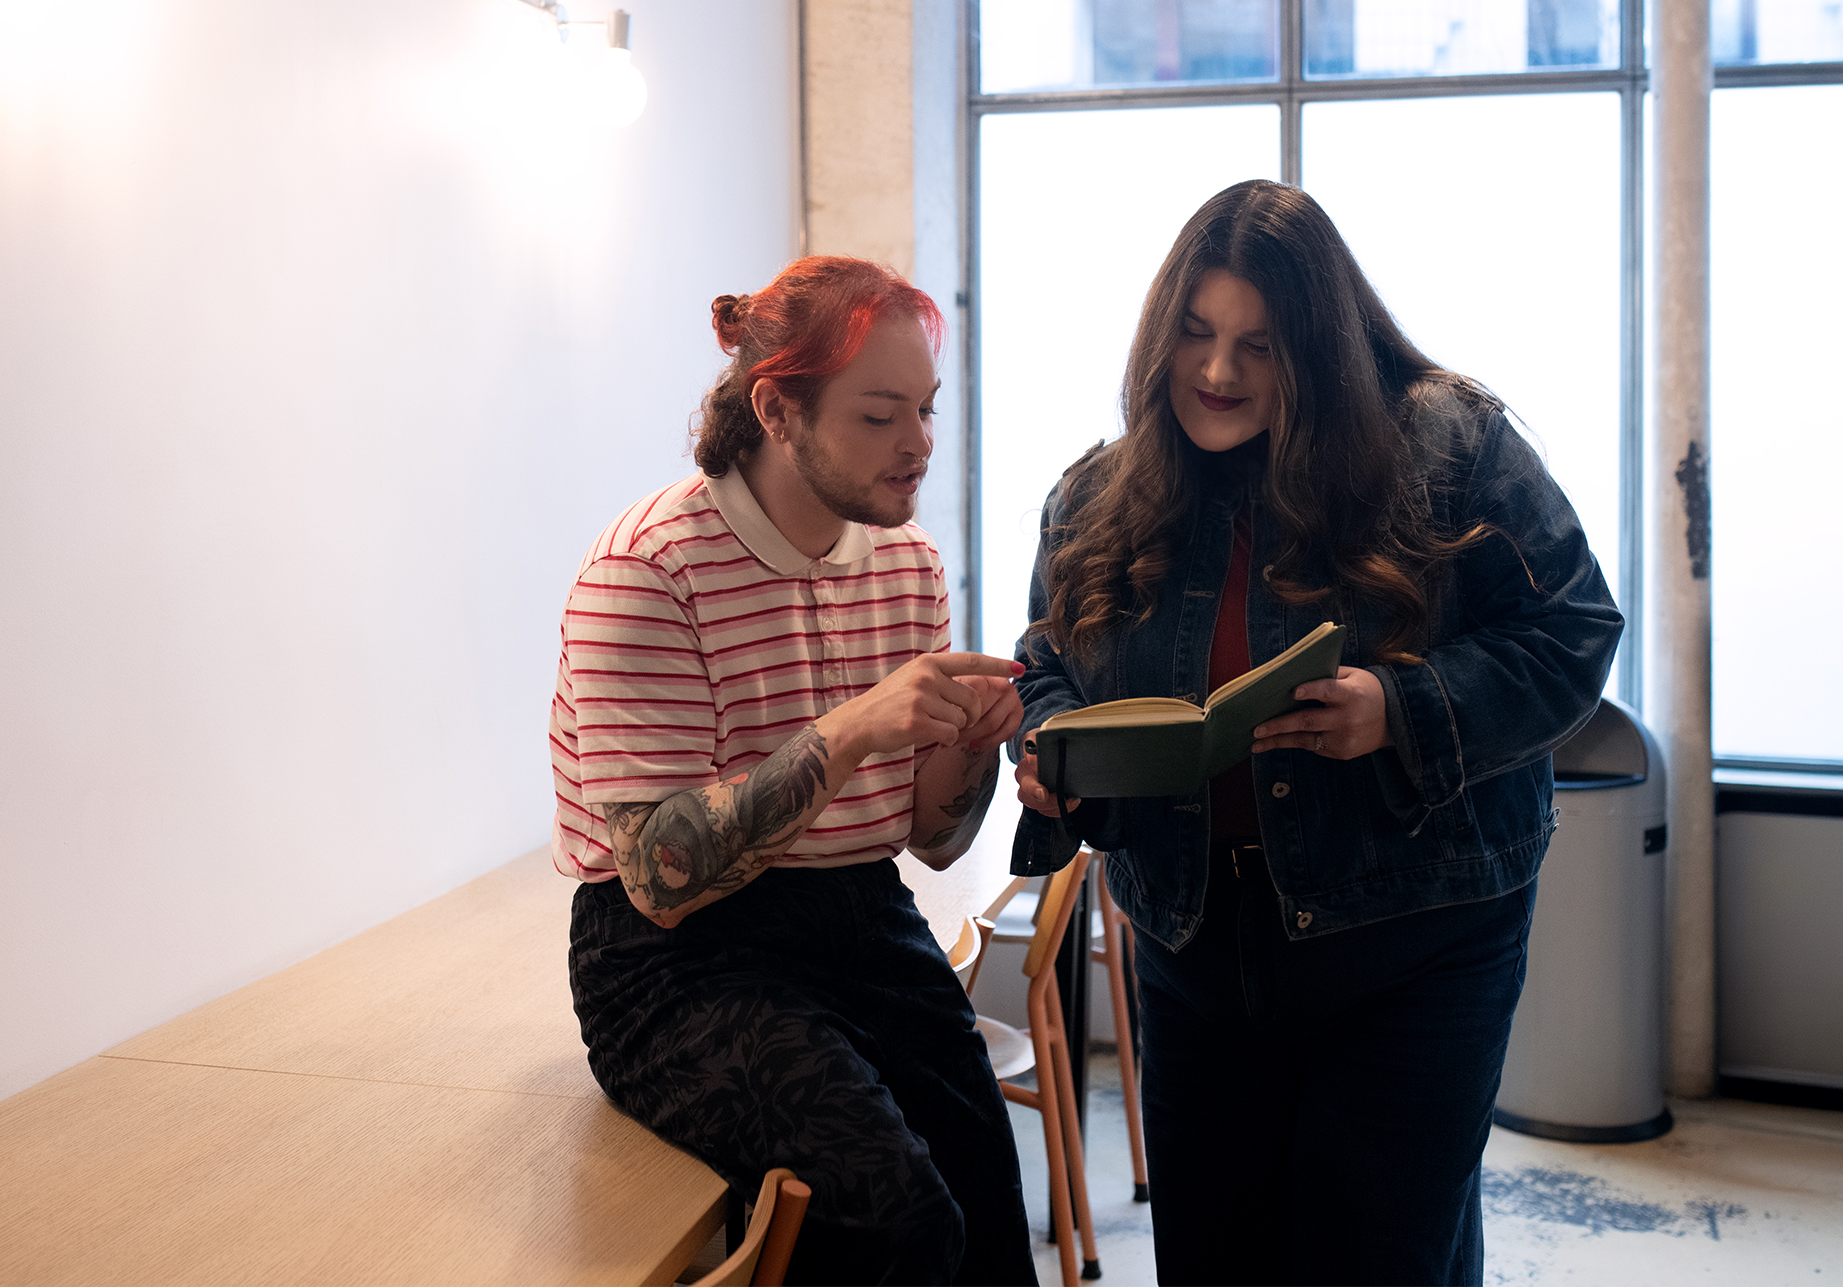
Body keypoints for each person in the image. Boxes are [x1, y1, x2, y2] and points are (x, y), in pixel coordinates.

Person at [1007, 181, 1623, 1287]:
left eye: (1260, 344)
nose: (1216, 373)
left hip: (1417, 940)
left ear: (1325, 348)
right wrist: (1053, 750)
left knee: (1377, 1253)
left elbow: (1572, 630)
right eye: (1194, 334)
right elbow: (1047, 664)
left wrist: (1401, 709)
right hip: (1194, 948)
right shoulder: (1092, 496)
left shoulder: (1449, 445)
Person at [553, 256, 1038, 1286]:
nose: (919, 445)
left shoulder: (905, 564)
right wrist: (851, 732)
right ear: (778, 410)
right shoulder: (647, 569)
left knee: (989, 1212)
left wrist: (973, 743)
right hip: (673, 962)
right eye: (879, 417)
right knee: (890, 1215)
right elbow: (656, 877)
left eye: (926, 409)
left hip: (856, 915)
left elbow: (932, 836)